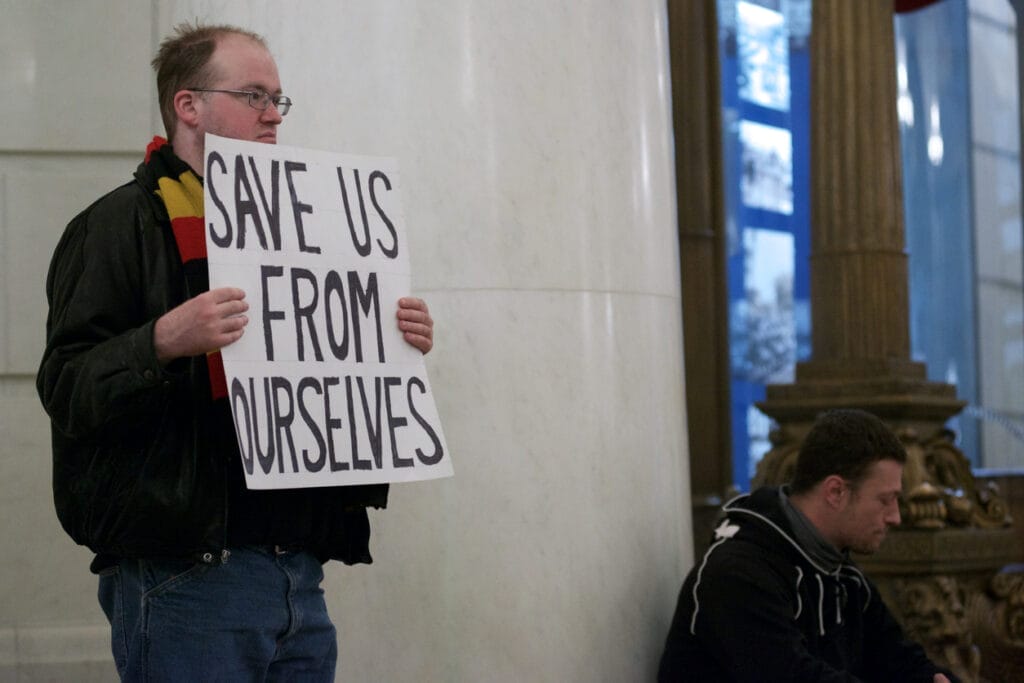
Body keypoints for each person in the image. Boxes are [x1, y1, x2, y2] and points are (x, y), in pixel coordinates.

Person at [36, 23, 434, 681]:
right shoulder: (117, 224)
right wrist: (164, 339)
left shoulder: (310, 228)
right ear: (188, 105)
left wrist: (391, 340)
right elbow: (66, 385)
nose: (273, 113)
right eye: (253, 95)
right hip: (185, 577)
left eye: (279, 98)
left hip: (296, 574)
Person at [658, 409, 957, 682]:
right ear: (836, 492)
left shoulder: (844, 577)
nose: (895, 517)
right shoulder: (735, 575)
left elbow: (902, 661)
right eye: (884, 500)